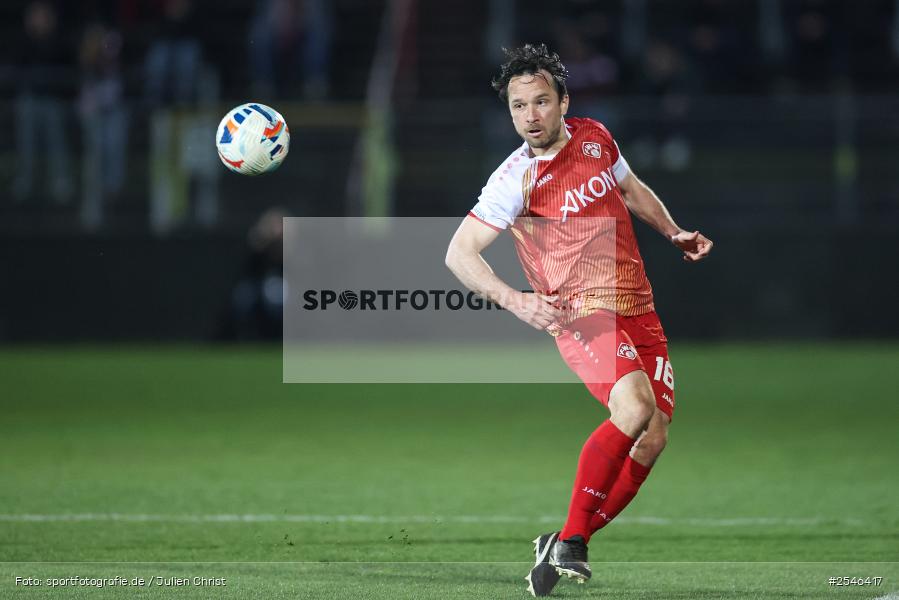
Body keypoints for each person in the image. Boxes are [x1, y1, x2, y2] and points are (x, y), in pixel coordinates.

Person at [444, 43, 712, 597]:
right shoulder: (514, 178)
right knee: (634, 407)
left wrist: (674, 232)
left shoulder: (595, 136)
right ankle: (573, 545)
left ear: (563, 101)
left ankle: (564, 537)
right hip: (579, 312)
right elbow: (459, 253)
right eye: (519, 107)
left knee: (653, 436)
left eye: (540, 102)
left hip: (636, 303)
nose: (530, 117)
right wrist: (516, 300)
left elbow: (631, 189)